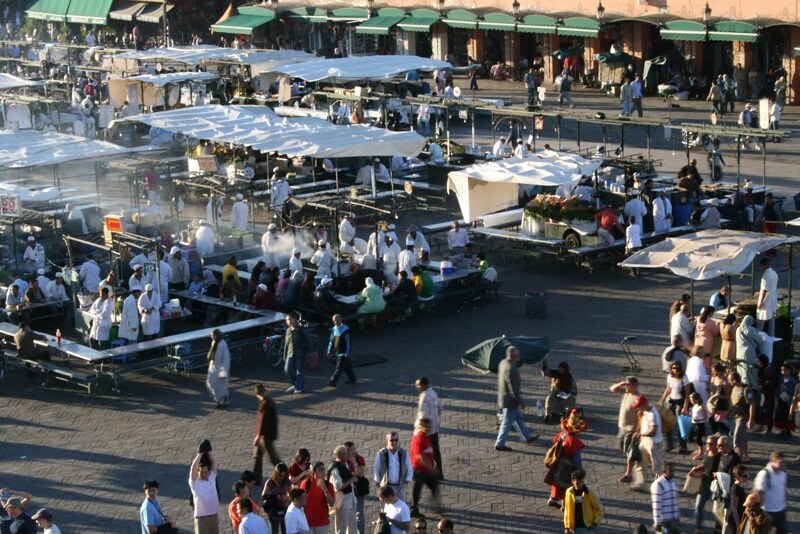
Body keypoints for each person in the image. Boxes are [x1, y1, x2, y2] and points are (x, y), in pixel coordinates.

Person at [494, 345, 539, 451]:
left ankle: (527, 437)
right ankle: (499, 444)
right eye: (518, 353)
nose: (519, 355)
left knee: (518, 418)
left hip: (504, 398)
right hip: (510, 401)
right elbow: (513, 389)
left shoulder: (503, 363)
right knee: (506, 423)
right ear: (513, 355)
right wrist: (521, 401)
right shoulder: (511, 369)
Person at [546, 409, 587, 509]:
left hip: (558, 463)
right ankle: (565, 507)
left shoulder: (561, 435)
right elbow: (577, 460)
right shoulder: (574, 442)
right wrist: (580, 471)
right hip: (568, 468)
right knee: (567, 488)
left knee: (556, 484)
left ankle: (552, 499)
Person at [409, 418, 441, 518]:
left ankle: (435, 504)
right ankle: (414, 509)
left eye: (429, 427)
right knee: (417, 490)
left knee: (434, 486)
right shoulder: (419, 438)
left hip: (427, 470)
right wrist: (431, 468)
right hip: (419, 470)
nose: (428, 429)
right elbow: (420, 456)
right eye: (426, 427)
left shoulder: (427, 437)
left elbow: (429, 452)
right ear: (421, 427)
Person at [415, 376, 443, 481]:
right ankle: (440, 473)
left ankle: (431, 473)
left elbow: (422, 415)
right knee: (436, 450)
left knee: (426, 451)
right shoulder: (433, 393)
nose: (417, 387)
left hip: (427, 430)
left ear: (423, 385)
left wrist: (421, 427)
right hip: (435, 427)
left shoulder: (424, 397)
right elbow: (439, 408)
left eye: (418, 385)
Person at [659, 361, 690, 454]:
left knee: (679, 425)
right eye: (674, 368)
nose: (676, 370)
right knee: (667, 423)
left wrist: (685, 407)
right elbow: (668, 389)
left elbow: (687, 394)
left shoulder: (684, 378)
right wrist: (662, 400)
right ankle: (669, 445)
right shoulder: (670, 376)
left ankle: (683, 447)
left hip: (680, 403)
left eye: (677, 368)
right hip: (671, 401)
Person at [253, 384, 282, 484]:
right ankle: (256, 479)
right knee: (257, 456)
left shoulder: (265, 404)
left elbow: (262, 422)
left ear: (257, 394)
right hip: (268, 435)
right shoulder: (270, 401)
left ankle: (284, 473)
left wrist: (258, 436)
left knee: (273, 458)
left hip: (265, 436)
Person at [633, 396, 663, 488]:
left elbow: (653, 432)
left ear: (644, 404)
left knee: (657, 466)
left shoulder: (653, 414)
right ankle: (640, 483)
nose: (638, 408)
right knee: (640, 462)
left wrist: (641, 434)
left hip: (654, 443)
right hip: (645, 441)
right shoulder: (645, 410)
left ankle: (659, 485)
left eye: (639, 406)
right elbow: (642, 424)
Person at [374, 431, 414, 502]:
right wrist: (378, 483)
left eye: (396, 440)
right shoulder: (381, 453)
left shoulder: (404, 453)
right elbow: (377, 468)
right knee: (385, 510)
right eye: (391, 440)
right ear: (387, 441)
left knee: (401, 507)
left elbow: (409, 467)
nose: (394, 442)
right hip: (386, 487)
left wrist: (407, 479)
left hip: (399, 487)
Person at [753, 450, 787, 534]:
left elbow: (783, 488)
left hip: (781, 510)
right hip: (768, 511)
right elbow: (759, 492)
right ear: (773, 461)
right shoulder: (765, 474)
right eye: (780, 462)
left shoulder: (783, 472)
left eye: (784, 461)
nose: (783, 464)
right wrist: (760, 510)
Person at [189, 449, 220, 534]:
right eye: (201, 472)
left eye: (206, 472)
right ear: (197, 472)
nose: (204, 474)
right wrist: (200, 453)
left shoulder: (212, 477)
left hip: (214, 515)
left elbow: (214, 463)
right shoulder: (195, 482)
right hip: (201, 518)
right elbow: (193, 467)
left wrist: (208, 451)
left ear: (208, 471)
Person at [299, 461, 336, 534]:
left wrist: (326, 491)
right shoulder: (305, 483)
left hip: (322, 523)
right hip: (307, 522)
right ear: (314, 472)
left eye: (323, 469)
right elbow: (300, 501)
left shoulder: (329, 485)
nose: (323, 471)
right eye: (320, 469)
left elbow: (332, 504)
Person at [328, 445, 357, 534]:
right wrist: (351, 480)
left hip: (351, 501)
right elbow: (338, 487)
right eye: (344, 454)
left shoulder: (345, 464)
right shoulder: (335, 469)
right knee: (342, 529)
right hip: (343, 503)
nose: (347, 455)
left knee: (352, 528)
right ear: (338, 456)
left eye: (347, 453)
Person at [563, 469, 603, 533]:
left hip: (586, 527)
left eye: (581, 482)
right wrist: (567, 526)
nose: (580, 485)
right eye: (577, 483)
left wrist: (595, 523)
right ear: (573, 481)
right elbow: (567, 510)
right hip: (573, 528)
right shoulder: (568, 492)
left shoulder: (590, 493)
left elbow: (599, 509)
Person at [327, 314, 356, 387]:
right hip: (338, 352)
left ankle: (332, 381)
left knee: (339, 368)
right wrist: (329, 350)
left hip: (343, 353)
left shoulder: (346, 329)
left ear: (341, 319)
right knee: (346, 367)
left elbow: (348, 342)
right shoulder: (333, 329)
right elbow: (331, 341)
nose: (336, 321)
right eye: (334, 320)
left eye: (337, 319)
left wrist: (347, 352)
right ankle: (352, 378)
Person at [283, 314, 310, 395]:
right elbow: (286, 343)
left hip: (300, 353)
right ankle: (296, 384)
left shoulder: (300, 329)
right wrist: (285, 354)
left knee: (299, 371)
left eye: (290, 319)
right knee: (287, 370)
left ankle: (299, 388)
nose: (289, 321)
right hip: (290, 353)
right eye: (287, 320)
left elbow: (307, 340)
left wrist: (304, 348)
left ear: (295, 319)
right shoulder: (288, 330)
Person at [650, 463, 680, 534]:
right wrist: (657, 522)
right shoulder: (658, 485)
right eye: (671, 471)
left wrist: (677, 516)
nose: (673, 473)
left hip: (673, 520)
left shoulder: (673, 482)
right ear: (664, 471)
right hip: (664, 522)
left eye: (673, 471)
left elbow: (675, 501)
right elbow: (656, 505)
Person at [262, 463, 291, 533]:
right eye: (280, 475)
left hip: (284, 510)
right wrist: (275, 498)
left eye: (284, 476)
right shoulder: (269, 482)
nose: (281, 477)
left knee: (286, 531)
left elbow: (291, 496)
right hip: (273, 510)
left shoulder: (287, 482)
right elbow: (263, 496)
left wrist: (286, 498)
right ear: (276, 473)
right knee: (273, 531)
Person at [734, 316, 762, 388]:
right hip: (749, 353)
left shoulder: (738, 329)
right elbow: (760, 340)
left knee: (741, 370)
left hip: (739, 353)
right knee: (749, 371)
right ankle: (750, 387)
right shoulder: (750, 330)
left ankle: (741, 386)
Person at [206, 329, 230, 408]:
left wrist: (223, 371)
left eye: (212, 335)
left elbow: (226, 358)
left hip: (220, 369)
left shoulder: (223, 344)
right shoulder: (214, 343)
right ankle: (221, 399)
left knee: (220, 386)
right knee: (210, 383)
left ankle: (222, 401)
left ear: (216, 335)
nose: (211, 337)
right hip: (213, 367)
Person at [773, 363, 797, 437]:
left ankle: (788, 430)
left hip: (788, 399)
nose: (782, 372)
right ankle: (782, 429)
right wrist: (778, 395)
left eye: (784, 370)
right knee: (780, 414)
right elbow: (778, 387)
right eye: (782, 370)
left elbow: (793, 389)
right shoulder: (781, 379)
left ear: (789, 370)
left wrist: (787, 393)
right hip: (781, 399)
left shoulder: (793, 380)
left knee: (788, 414)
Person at [756, 257, 778, 336]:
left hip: (766, 301)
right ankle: (772, 336)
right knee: (771, 322)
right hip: (772, 300)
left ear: (764, 265)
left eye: (761, 266)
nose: (761, 268)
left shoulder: (766, 275)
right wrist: (760, 292)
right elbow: (770, 287)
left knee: (761, 319)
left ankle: (758, 336)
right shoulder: (774, 273)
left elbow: (765, 289)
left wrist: (761, 301)